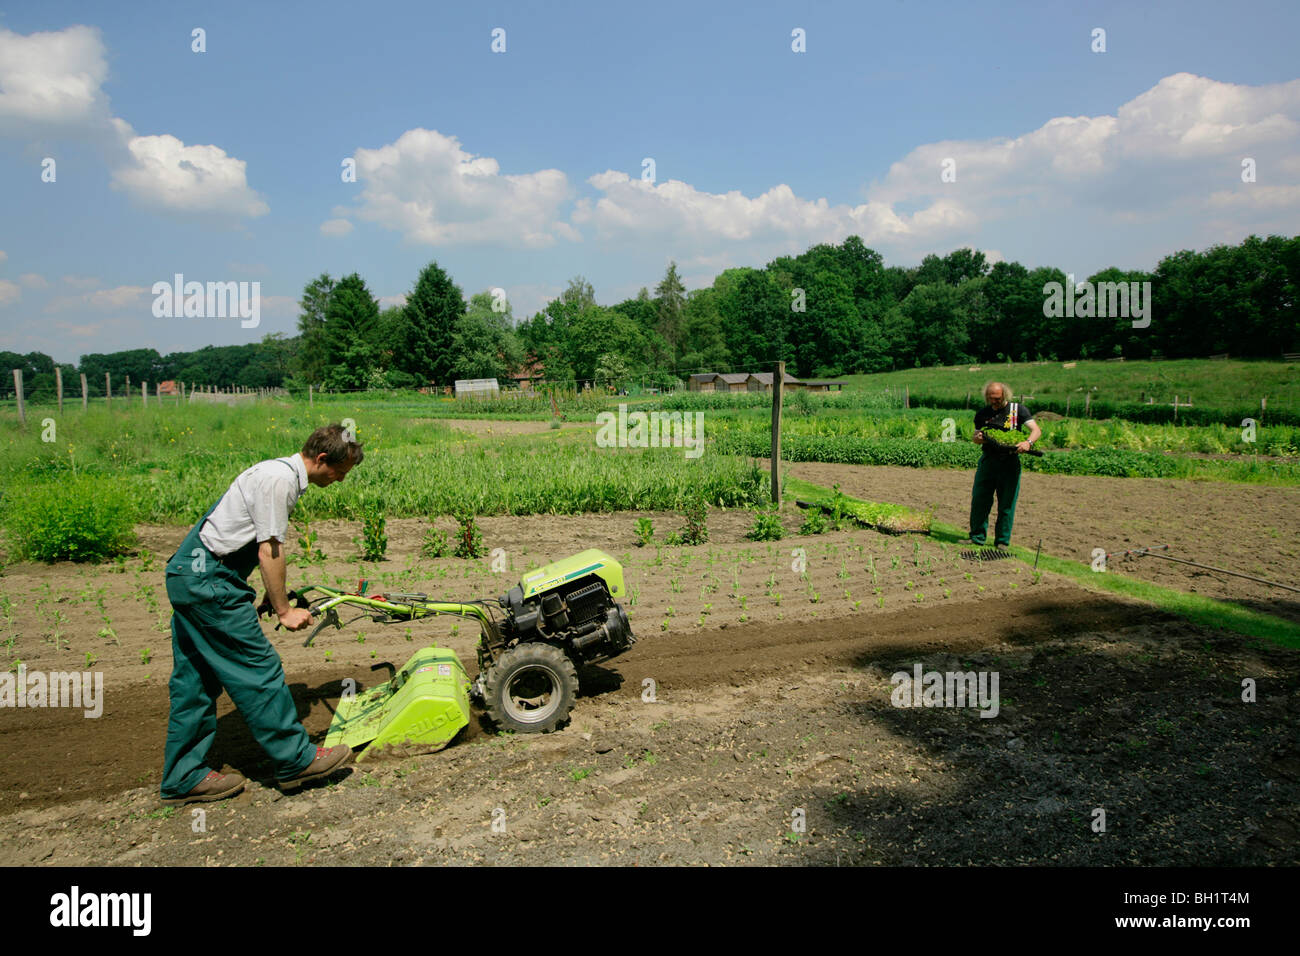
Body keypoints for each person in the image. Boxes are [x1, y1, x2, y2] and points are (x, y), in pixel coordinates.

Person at [160, 424, 364, 805]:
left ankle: (182, 777)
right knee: (258, 668)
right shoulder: (279, 481)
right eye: (339, 472)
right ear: (322, 459)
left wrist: (276, 595)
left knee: (195, 681)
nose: (339, 480)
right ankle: (295, 761)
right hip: (210, 582)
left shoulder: (271, 471)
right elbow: (269, 549)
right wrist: (285, 611)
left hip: (190, 573)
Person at [968, 382, 1040, 548]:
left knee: (1006, 503)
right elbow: (976, 435)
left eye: (997, 399)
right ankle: (977, 537)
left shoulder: (1017, 410)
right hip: (988, 461)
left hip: (1009, 462)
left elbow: (1036, 430)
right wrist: (976, 438)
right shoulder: (982, 413)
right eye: (990, 398)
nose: (994, 402)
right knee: (980, 500)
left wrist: (1028, 443)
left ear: (1005, 396)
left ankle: (1002, 541)